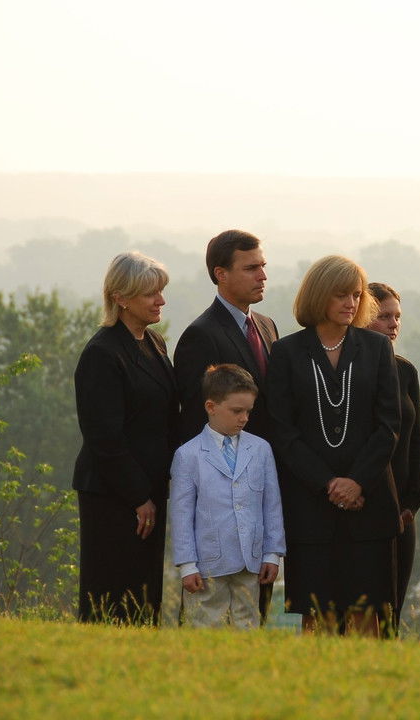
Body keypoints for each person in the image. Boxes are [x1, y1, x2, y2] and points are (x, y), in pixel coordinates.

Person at [267, 256, 401, 636]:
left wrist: (357, 482)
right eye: (341, 294)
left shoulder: (377, 348)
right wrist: (329, 483)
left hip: (370, 505)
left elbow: (389, 425)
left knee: (367, 615)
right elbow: (283, 432)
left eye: (357, 295)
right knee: (317, 615)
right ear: (318, 295)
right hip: (311, 508)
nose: (352, 303)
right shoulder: (287, 352)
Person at [173, 229, 280, 623]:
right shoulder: (200, 336)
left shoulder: (267, 327)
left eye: (263, 266)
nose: (262, 275)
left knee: (254, 616)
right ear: (220, 273)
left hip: (259, 484)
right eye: (251, 268)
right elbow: (190, 422)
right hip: (217, 505)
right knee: (211, 618)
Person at [72, 251, 179, 624]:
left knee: (144, 592)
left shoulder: (155, 342)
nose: (161, 301)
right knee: (112, 591)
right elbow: (104, 438)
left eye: (161, 292)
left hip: (149, 491)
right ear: (120, 297)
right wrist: (138, 497)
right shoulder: (102, 354)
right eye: (151, 293)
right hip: (113, 495)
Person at [170, 364, 285, 629]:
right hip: (207, 564)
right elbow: (181, 515)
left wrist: (272, 553)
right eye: (236, 411)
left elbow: (272, 505)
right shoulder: (189, 455)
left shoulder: (261, 449)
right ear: (211, 406)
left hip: (251, 560)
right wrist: (187, 565)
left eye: (248, 411)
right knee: (204, 626)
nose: (244, 418)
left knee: (248, 625)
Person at [366, 282, 420, 628]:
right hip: (366, 505)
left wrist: (412, 502)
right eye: (383, 316)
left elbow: (415, 441)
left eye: (397, 317)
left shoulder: (405, 371)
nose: (393, 324)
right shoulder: (353, 370)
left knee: (392, 608)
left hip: (403, 510)